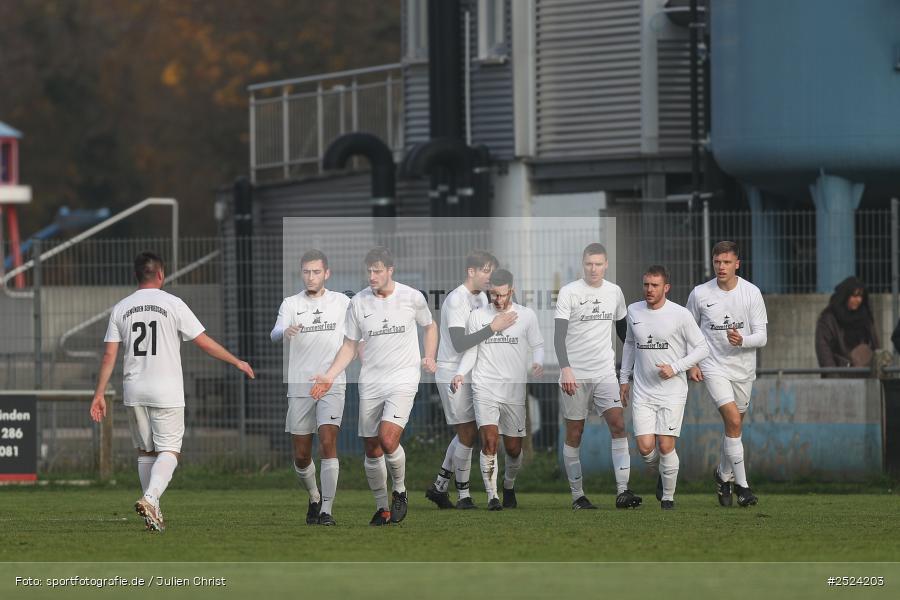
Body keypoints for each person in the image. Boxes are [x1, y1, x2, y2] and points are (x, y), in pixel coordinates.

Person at [89, 252, 255, 532]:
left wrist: (99, 394)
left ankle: (153, 515)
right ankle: (151, 498)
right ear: (161, 275)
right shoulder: (173, 304)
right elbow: (203, 342)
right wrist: (236, 360)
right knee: (170, 450)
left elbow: (108, 356)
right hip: (166, 390)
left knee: (145, 451)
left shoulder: (121, 308)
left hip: (134, 389)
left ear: (137, 276)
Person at [311, 246, 437, 526]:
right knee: (371, 447)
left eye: (378, 270)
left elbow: (430, 326)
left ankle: (400, 491)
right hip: (371, 381)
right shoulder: (358, 303)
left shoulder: (411, 297)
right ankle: (382, 508)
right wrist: (330, 374)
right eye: (369, 270)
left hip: (403, 378)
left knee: (388, 439)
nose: (372, 275)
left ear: (390, 270)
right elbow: (349, 345)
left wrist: (429, 355)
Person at [427, 250, 517, 510]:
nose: (490, 277)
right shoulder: (457, 300)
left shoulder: (483, 298)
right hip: (452, 371)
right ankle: (463, 495)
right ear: (471, 271)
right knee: (466, 433)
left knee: (468, 433)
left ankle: (440, 486)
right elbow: (458, 343)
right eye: (486, 271)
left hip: (473, 372)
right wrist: (492, 328)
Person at [555, 243, 641, 510]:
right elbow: (558, 336)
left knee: (618, 425)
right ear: (584, 264)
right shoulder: (569, 292)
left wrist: (635, 366)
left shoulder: (615, 292)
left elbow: (625, 335)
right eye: (589, 264)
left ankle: (623, 491)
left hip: (605, 372)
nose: (593, 268)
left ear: (606, 265)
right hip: (575, 375)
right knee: (575, 432)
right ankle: (578, 495)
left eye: (598, 264)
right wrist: (565, 368)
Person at [452, 269, 544, 511]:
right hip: (484, 386)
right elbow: (471, 350)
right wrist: (461, 373)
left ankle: (509, 485)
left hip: (513, 390)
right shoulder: (478, 316)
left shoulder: (526, 316)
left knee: (514, 448)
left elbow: (538, 344)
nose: (498, 300)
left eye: (502, 295)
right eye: (493, 295)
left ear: (511, 291)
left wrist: (539, 361)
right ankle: (492, 496)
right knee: (489, 441)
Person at [270, 249, 350, 526]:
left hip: (331, 383)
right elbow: (275, 332)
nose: (311, 277)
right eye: (306, 272)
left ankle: (327, 510)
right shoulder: (291, 303)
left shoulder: (342, 302)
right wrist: (286, 331)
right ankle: (314, 496)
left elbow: (355, 338)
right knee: (302, 455)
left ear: (326, 273)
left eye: (316, 272)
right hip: (300, 387)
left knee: (328, 442)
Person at [619, 265, 708, 510]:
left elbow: (702, 348)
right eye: (646, 284)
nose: (649, 289)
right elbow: (628, 344)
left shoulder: (680, 314)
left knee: (666, 446)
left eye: (655, 285)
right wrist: (624, 379)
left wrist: (676, 367)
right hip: (643, 390)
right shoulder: (633, 310)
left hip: (672, 391)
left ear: (666, 288)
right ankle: (665, 470)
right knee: (646, 448)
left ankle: (668, 497)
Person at [686, 241, 767, 508]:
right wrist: (692, 364)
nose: (721, 267)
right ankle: (743, 487)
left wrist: (741, 340)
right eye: (717, 262)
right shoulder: (699, 294)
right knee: (733, 420)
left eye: (727, 262)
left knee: (734, 428)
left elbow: (762, 337)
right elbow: (687, 331)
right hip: (713, 366)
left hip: (743, 369)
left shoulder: (751, 293)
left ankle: (722, 475)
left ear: (737, 264)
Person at [815, 276, 879, 376]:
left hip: (866, 375)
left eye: (861, 296)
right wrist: (834, 378)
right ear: (845, 296)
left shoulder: (865, 316)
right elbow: (824, 351)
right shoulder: (828, 319)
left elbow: (875, 345)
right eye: (854, 296)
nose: (858, 300)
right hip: (841, 375)